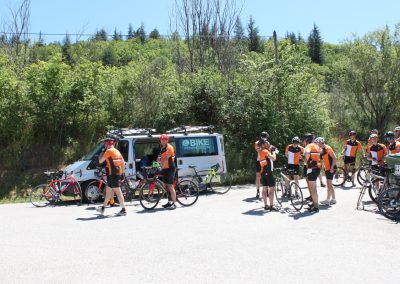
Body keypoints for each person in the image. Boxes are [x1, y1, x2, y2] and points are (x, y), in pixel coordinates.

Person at [96, 138, 127, 216]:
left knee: (118, 192)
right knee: (108, 191)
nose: (105, 146)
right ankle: (103, 208)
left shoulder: (108, 151)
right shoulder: (117, 151)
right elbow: (123, 162)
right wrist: (122, 173)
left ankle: (123, 210)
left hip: (113, 174)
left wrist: (100, 154)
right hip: (115, 174)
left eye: (105, 144)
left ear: (107, 144)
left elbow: (100, 161)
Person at [316, 137, 337, 206]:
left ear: (321, 142)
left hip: (331, 168)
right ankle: (333, 199)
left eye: (318, 143)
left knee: (329, 184)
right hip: (327, 168)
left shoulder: (328, 148)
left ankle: (328, 200)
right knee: (329, 184)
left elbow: (334, 157)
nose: (317, 144)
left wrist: (332, 167)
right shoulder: (323, 149)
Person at [158, 134, 177, 210]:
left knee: (170, 186)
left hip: (170, 168)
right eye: (161, 140)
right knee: (166, 186)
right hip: (165, 168)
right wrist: (156, 164)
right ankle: (169, 202)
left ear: (167, 140)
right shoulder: (162, 148)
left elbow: (166, 158)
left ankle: (174, 204)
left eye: (164, 140)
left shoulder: (169, 147)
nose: (162, 141)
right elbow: (159, 158)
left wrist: (160, 167)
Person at [303, 133, 321, 212]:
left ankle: (316, 206)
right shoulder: (316, 145)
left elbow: (307, 152)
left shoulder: (309, 146)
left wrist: (307, 159)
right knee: (313, 187)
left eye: (304, 139)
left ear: (306, 140)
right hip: (317, 167)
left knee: (313, 189)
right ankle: (314, 204)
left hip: (312, 168)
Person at [258, 140, 277, 211]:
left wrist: (270, 150)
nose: (267, 143)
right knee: (271, 189)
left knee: (264, 188)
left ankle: (266, 205)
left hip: (263, 172)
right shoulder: (265, 151)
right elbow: (274, 158)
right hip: (268, 171)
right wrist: (274, 152)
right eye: (266, 143)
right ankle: (271, 206)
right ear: (262, 145)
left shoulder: (260, 152)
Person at [254, 131, 269, 199]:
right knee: (258, 175)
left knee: (266, 175)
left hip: (265, 160)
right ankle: (258, 191)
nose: (265, 138)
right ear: (261, 137)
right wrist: (263, 145)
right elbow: (258, 150)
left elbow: (269, 150)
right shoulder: (257, 143)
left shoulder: (267, 143)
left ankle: (267, 190)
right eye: (263, 137)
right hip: (259, 160)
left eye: (265, 137)